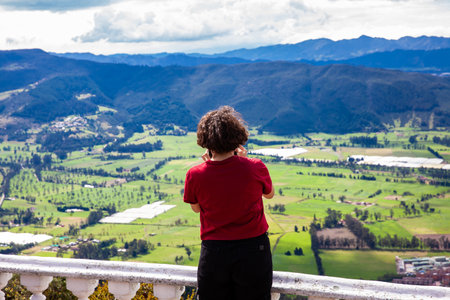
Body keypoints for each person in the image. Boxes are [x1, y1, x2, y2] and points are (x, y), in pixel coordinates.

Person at [183, 106, 274, 300]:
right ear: (237, 137)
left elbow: (196, 208)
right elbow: (269, 194)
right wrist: (243, 163)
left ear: (205, 141)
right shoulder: (255, 167)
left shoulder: (195, 174)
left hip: (214, 252)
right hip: (254, 250)